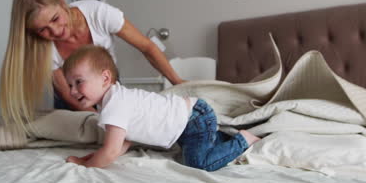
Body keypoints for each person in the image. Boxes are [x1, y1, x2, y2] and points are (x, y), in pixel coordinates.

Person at [0, 0, 184, 128]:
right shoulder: (41, 48)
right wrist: (101, 123)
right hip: (73, 99)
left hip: (109, 88)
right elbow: (70, 95)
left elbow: (148, 47)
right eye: (43, 29)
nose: (55, 31)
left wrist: (179, 83)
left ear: (61, 0)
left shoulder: (99, 13)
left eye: (55, 19)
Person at [62, 45, 261, 171]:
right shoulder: (116, 100)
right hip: (189, 121)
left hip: (193, 119)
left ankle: (243, 140)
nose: (72, 91)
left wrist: (84, 164)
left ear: (105, 78)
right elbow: (124, 142)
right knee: (199, 146)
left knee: (199, 163)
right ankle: (226, 137)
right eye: (69, 85)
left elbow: (111, 151)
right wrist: (92, 157)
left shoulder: (114, 104)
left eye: (78, 82)